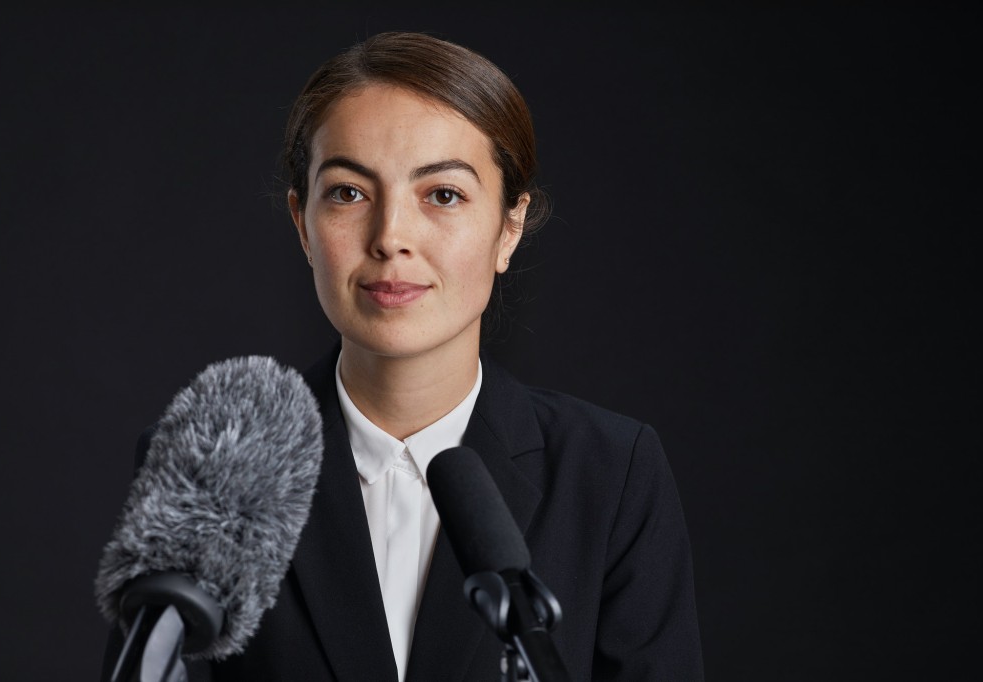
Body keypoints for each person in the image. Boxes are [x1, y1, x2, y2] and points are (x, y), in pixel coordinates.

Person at [103, 30, 703, 681]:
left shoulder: (610, 474)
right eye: (349, 193)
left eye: (442, 195)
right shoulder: (212, 464)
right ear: (302, 224)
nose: (391, 237)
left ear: (509, 228)